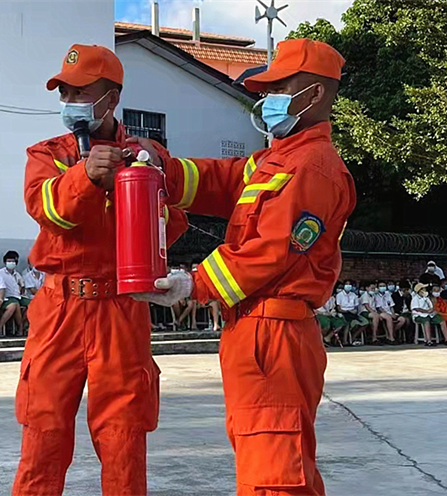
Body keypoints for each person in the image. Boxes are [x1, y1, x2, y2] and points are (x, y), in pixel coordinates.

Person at [132, 39, 353, 496]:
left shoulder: (312, 168)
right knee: (271, 459)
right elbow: (222, 178)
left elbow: (269, 251)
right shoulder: (279, 159)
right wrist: (164, 167)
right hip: (257, 330)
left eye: (277, 87)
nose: (265, 100)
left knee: (272, 474)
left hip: (274, 333)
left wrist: (192, 284)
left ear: (312, 95)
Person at [13, 43, 188, 496]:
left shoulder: (144, 157)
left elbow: (168, 227)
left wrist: (139, 183)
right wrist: (86, 177)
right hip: (59, 308)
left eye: (79, 92)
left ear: (110, 98)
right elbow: (48, 209)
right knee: (43, 433)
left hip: (120, 308)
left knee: (123, 437)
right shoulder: (47, 154)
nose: (70, 103)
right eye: (64, 93)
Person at [0, 251, 25, 337]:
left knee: (32, 305)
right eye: (9, 261)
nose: (11, 263)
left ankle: (21, 325)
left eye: (13, 261)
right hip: (8, 297)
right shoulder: (0, 273)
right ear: (5, 262)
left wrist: (21, 287)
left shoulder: (17, 274)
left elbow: (22, 285)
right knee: (15, 305)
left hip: (19, 296)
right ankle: (18, 327)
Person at [336, 279, 366, 345]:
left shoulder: (354, 295)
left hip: (353, 313)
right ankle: (345, 341)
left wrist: (354, 311)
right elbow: (339, 308)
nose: (348, 286)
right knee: (347, 323)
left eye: (349, 284)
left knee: (365, 322)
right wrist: (346, 311)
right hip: (344, 312)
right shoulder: (339, 295)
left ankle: (353, 338)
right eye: (346, 284)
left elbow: (356, 307)